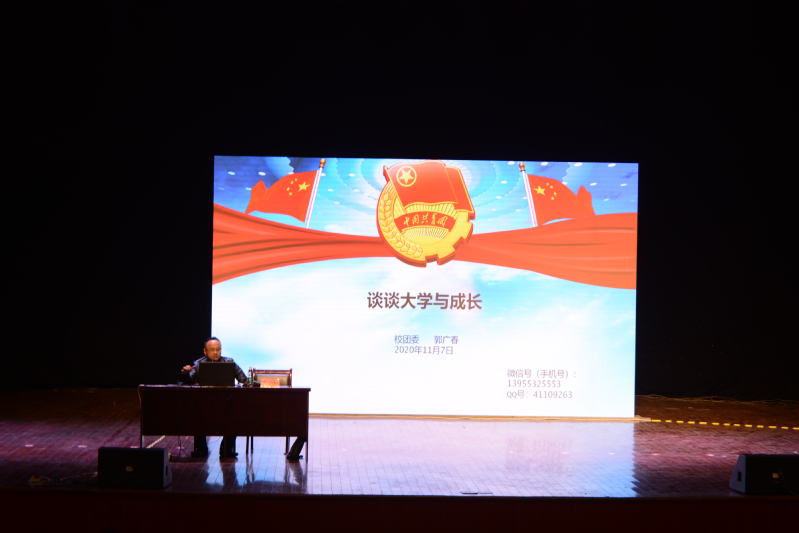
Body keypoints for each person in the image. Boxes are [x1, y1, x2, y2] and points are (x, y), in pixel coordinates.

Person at [179, 336, 248, 459]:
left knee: (236, 415)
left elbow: (244, 380)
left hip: (226, 403)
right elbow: (189, 379)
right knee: (197, 414)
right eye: (212, 350)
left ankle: (228, 448)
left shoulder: (229, 362)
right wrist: (186, 372)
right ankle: (201, 449)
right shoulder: (198, 364)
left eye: (218, 349)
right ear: (205, 351)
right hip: (204, 403)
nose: (216, 352)